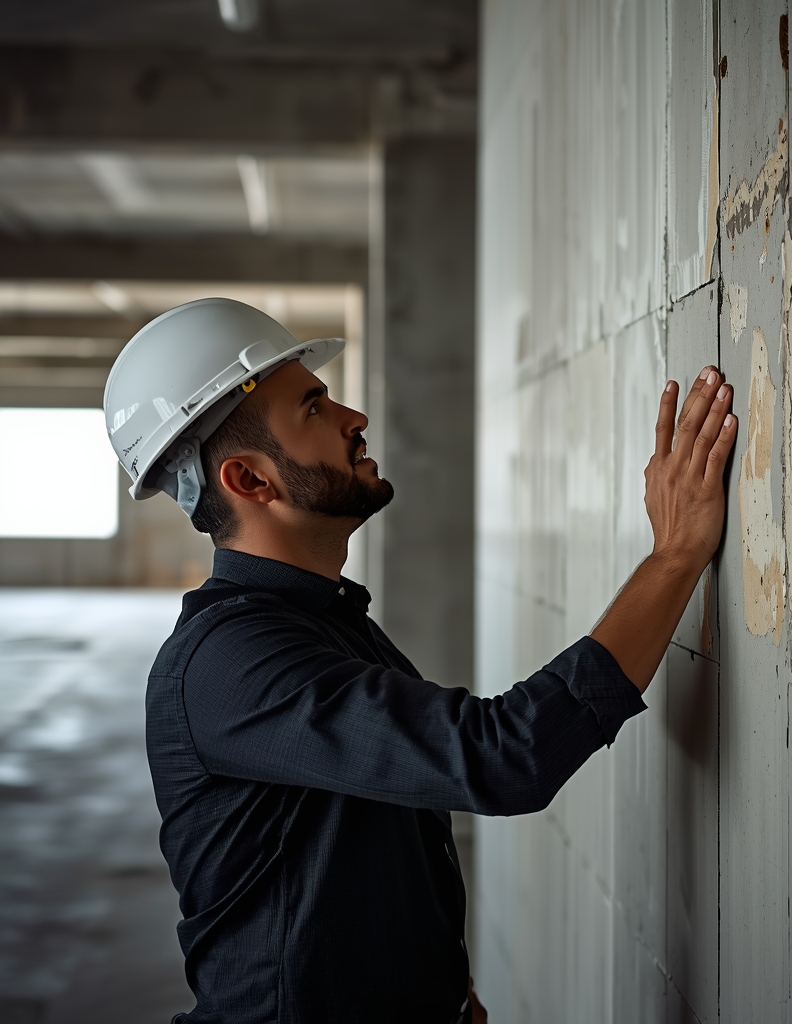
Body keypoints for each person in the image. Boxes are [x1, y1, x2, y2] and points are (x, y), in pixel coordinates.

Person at [103, 298, 736, 1024]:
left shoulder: (321, 623)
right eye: (313, 408)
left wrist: (438, 990)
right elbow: (503, 756)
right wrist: (676, 555)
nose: (354, 417)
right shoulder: (229, 663)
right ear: (250, 481)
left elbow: (366, 837)